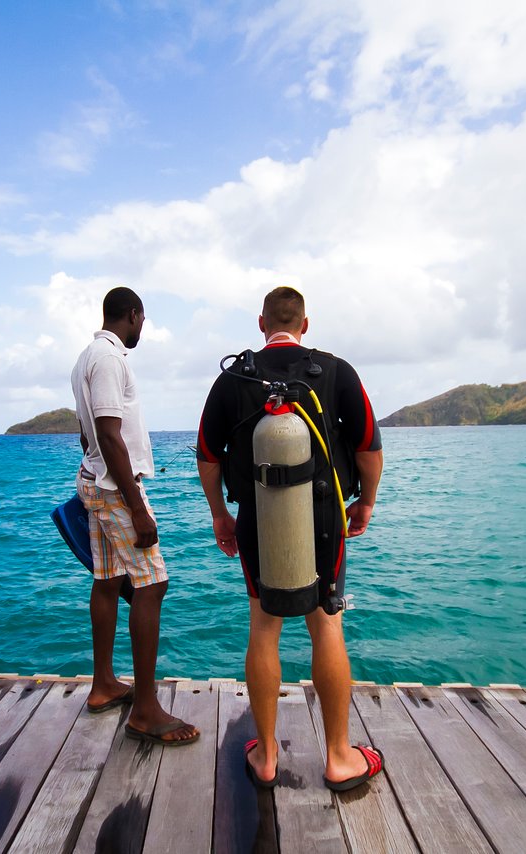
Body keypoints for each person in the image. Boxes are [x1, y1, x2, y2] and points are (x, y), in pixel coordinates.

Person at [196, 286, 384, 790]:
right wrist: (364, 502)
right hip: (325, 518)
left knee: (263, 627)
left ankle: (267, 758)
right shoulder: (337, 371)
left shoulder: (233, 377)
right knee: (326, 626)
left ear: (262, 324)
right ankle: (341, 757)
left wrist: (220, 515)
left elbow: (207, 455)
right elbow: (368, 444)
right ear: (306, 323)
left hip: (258, 517)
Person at [71, 286, 198, 745]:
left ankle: (104, 684)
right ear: (133, 314)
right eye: (142, 320)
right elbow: (108, 432)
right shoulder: (109, 359)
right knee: (152, 583)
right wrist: (137, 506)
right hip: (114, 487)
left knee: (107, 580)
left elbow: (87, 434)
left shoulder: (85, 357)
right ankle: (144, 710)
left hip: (96, 481)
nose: (143, 327)